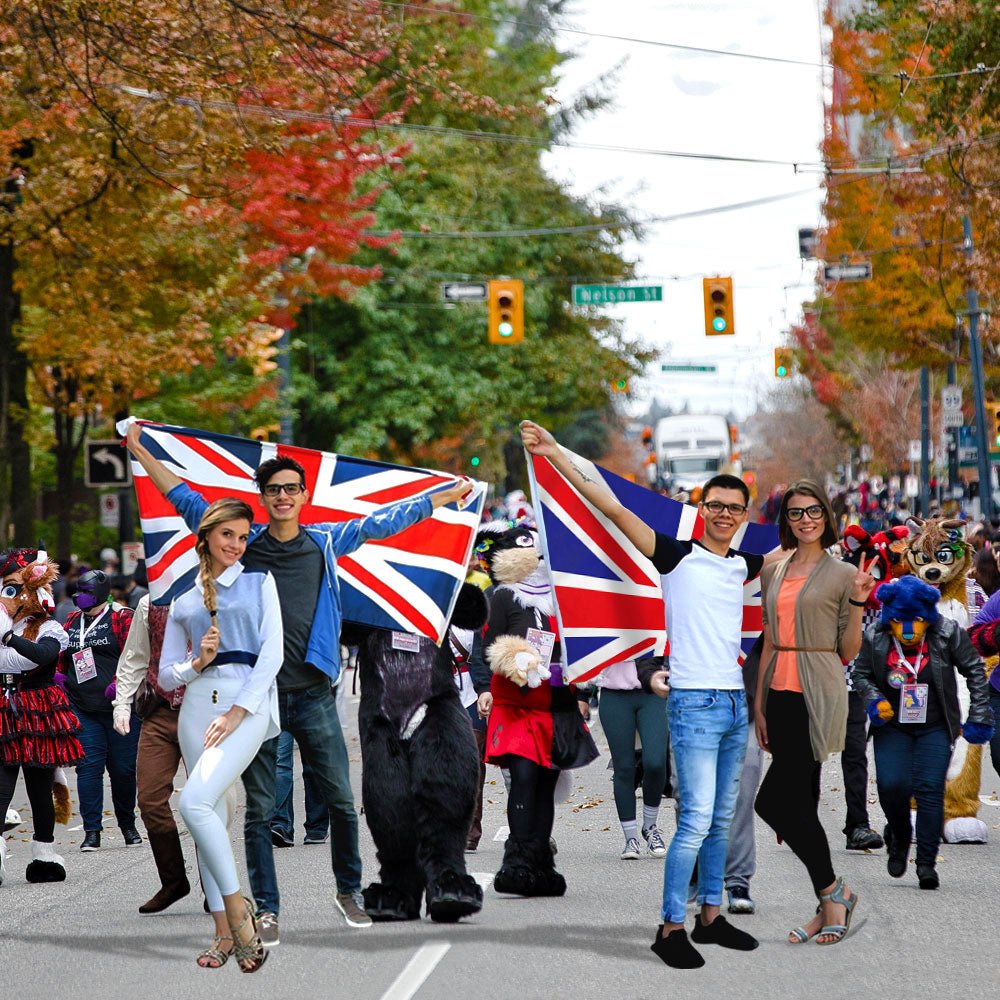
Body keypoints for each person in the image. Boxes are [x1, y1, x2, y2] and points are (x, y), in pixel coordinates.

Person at [125, 421, 470, 942]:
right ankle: (268, 909)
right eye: (274, 490)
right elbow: (186, 499)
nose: (283, 496)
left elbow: (384, 521)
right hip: (258, 699)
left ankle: (348, 891)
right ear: (261, 498)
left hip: (312, 695)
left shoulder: (326, 543)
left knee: (337, 798)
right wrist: (141, 451)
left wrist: (444, 494)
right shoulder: (245, 544)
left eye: (291, 489)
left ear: (304, 495)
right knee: (261, 810)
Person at [520, 419, 761, 969]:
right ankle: (669, 927)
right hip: (694, 703)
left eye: (734, 507)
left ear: (744, 516)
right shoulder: (676, 556)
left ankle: (711, 917)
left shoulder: (743, 566)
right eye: (715, 505)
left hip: (732, 703)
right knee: (697, 818)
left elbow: (798, 561)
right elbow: (608, 504)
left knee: (722, 817)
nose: (724, 513)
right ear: (703, 510)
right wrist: (556, 451)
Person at [159, 497, 280, 971]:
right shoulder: (184, 598)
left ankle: (239, 916)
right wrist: (196, 663)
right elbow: (166, 676)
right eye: (228, 534)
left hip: (244, 707)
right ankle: (222, 935)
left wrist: (236, 712)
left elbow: (272, 655)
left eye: (243, 536)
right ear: (207, 535)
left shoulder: (259, 582)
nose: (236, 544)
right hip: (195, 709)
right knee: (210, 816)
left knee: (193, 802)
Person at [754, 480, 874, 946]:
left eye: (813, 512)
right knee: (799, 804)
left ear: (827, 517)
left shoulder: (843, 573)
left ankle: (833, 892)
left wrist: (860, 602)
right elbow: (768, 638)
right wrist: (760, 705)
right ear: (786, 520)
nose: (805, 520)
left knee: (771, 802)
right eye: (796, 513)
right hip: (778, 692)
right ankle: (828, 902)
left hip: (817, 690)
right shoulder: (774, 570)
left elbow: (846, 650)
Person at [856, 575, 993, 889]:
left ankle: (927, 863)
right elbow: (862, 675)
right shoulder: (875, 636)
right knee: (892, 786)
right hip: (892, 726)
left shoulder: (947, 633)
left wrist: (980, 713)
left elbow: (974, 669)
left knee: (930, 790)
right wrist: (875, 701)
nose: (908, 629)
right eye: (901, 621)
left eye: (916, 621)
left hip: (935, 726)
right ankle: (900, 835)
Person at [0, 547, 81, 885]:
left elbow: (41, 657)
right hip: (4, 708)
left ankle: (44, 854)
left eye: (15, 588)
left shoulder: (49, 628)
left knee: (39, 787)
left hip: (37, 710)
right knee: (2, 788)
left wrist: (7, 639)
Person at [112, 593, 192, 913]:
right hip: (159, 713)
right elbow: (134, 658)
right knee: (149, 798)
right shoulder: (149, 604)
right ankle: (173, 880)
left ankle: (216, 883)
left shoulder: (218, 594)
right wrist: (122, 704)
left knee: (204, 801)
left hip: (203, 712)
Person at [60, 570, 141, 851]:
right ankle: (92, 831)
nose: (78, 595)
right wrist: (59, 677)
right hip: (83, 708)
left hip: (121, 707)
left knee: (123, 771)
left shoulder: (122, 617)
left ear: (100, 591)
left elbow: (137, 656)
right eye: (78, 590)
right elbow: (63, 654)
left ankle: (128, 826)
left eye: (85, 590)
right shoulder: (72, 620)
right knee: (88, 769)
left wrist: (120, 684)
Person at [597, 657, 668, 861]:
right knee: (624, 767)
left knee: (655, 761)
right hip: (614, 693)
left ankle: (650, 827)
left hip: (652, 691)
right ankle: (630, 838)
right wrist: (583, 694)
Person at [270, 729, 329, 847]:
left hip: (312, 711)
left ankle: (317, 828)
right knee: (280, 762)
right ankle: (281, 825)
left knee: (312, 764)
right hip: (282, 711)